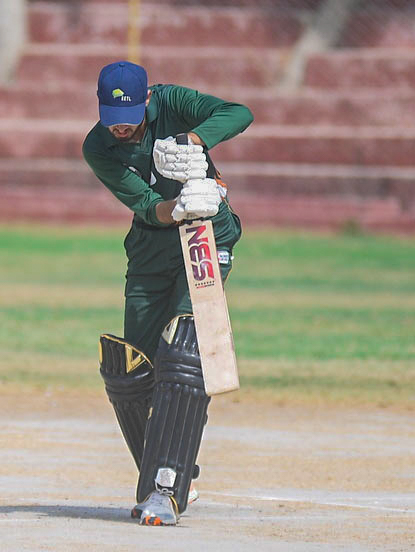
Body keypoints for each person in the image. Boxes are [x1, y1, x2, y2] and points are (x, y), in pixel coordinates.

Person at [82, 61, 253, 526]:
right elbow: (142, 203)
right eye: (112, 117)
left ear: (147, 100)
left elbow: (239, 113)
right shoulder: (98, 146)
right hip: (152, 246)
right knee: (130, 371)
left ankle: (165, 488)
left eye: (130, 116)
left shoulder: (173, 101)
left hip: (206, 236)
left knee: (183, 351)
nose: (120, 126)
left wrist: (191, 141)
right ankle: (176, 469)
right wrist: (176, 207)